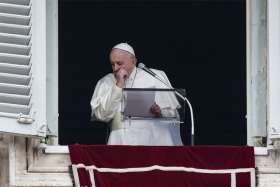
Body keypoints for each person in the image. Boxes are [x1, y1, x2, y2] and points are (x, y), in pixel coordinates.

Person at [90, 43, 182, 145]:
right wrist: (118, 85)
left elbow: (174, 115)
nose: (115, 68)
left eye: (119, 63)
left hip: (154, 140)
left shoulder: (154, 77)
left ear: (133, 61)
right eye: (112, 64)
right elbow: (102, 116)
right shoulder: (106, 82)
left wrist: (160, 112)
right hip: (121, 141)